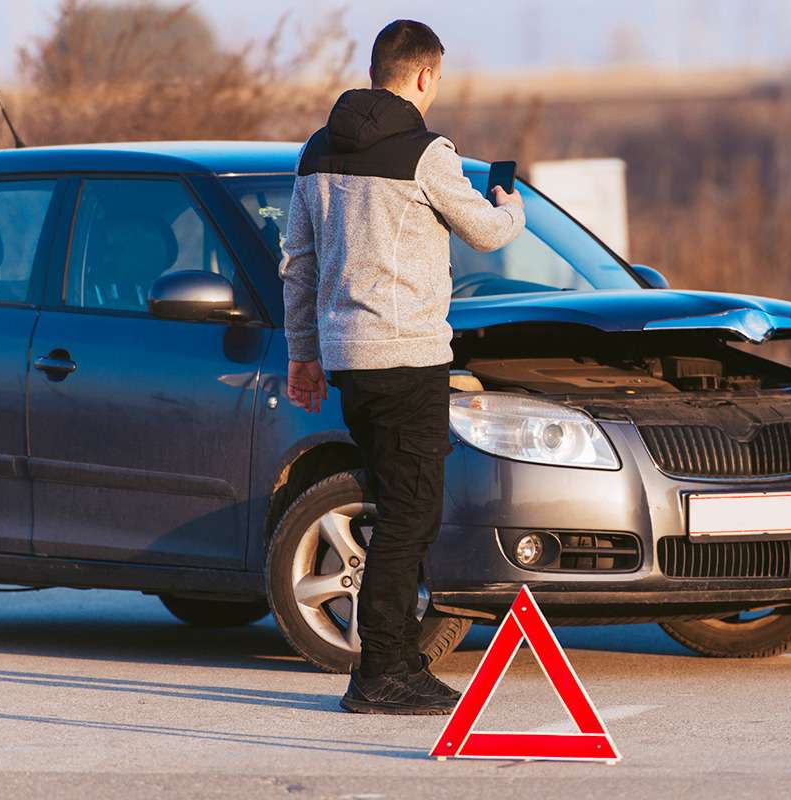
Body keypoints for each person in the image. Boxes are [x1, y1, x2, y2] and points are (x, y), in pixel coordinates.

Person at [280, 19, 526, 714]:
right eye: (436, 79)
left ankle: (400, 662)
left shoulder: (317, 153)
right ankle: (380, 671)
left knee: (397, 509)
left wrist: (303, 354)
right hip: (409, 357)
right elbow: (486, 231)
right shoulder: (427, 154)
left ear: (374, 71)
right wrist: (511, 209)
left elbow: (298, 263)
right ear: (423, 75)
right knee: (411, 516)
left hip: (351, 362)